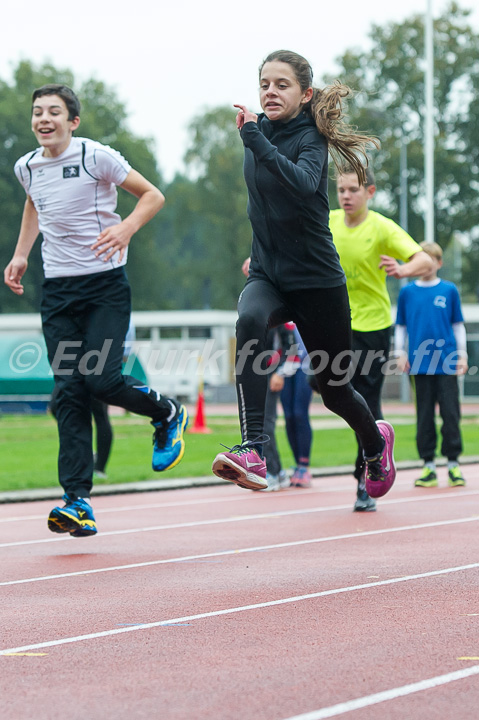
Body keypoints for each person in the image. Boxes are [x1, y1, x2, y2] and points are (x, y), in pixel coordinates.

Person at [211, 49, 396, 502]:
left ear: (305, 93)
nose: (270, 92)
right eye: (264, 84)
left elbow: (299, 182)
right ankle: (253, 448)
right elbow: (265, 206)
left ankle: (375, 443)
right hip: (269, 275)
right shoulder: (256, 134)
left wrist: (255, 138)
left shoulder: (309, 138)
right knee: (249, 321)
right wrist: (261, 255)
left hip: (317, 282)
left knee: (335, 392)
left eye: (282, 84)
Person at [4, 84, 188, 537]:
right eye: (37, 112)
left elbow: (152, 195)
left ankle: (165, 413)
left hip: (105, 287)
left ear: (73, 121)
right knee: (68, 391)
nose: (44, 119)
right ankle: (77, 500)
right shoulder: (26, 166)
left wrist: (125, 229)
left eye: (54, 112)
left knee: (100, 380)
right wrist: (22, 253)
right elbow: (34, 203)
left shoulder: (94, 157)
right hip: (58, 292)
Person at [330, 165, 433, 511]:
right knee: (322, 383)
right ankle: (375, 452)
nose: (345, 196)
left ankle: (365, 477)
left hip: (372, 327)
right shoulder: (328, 222)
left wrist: (403, 269)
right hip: (335, 323)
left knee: (367, 400)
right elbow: (290, 247)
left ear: (370, 192)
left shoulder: (382, 228)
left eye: (353, 190)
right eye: (341, 189)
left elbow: (424, 259)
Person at [395, 241, 468, 487]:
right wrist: (399, 353)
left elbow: (458, 326)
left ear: (439, 263)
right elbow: (401, 327)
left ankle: (453, 465)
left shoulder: (449, 290)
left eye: (432, 259)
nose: (426, 265)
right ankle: (428, 466)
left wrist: (463, 355)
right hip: (419, 365)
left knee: (450, 414)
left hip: (446, 363)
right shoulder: (407, 292)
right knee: (424, 416)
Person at [241, 257, 294, 492]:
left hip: (272, 372)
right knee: (253, 425)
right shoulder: (249, 300)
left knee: (267, 425)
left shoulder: (278, 305)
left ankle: (274, 472)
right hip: (254, 372)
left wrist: (280, 372)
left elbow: (290, 346)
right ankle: (274, 471)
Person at [280, 323, 314, 488]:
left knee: (300, 413)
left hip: (305, 366)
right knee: (289, 416)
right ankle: (297, 464)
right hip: (283, 367)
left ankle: (304, 465)